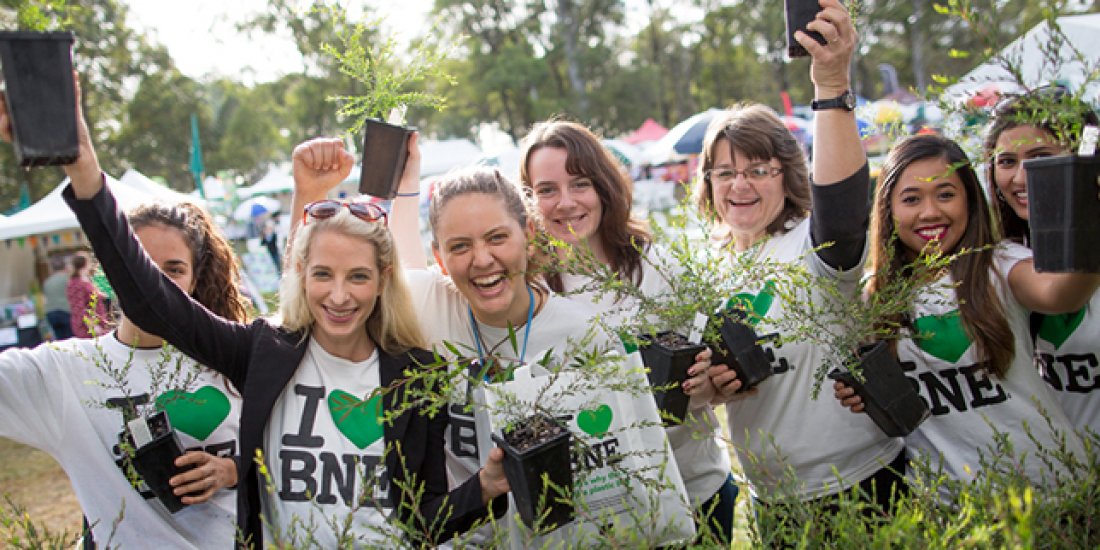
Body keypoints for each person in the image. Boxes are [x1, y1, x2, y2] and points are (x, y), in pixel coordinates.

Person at [38, 84, 509, 547]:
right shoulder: (263, 350)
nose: (340, 296)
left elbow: (422, 521)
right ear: (301, 272)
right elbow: (151, 301)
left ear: (384, 278)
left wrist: (484, 487)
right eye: (324, 274)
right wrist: (85, 171)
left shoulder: (418, 374)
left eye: (358, 277)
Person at [290, 137, 622, 545]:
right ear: (440, 258)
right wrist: (308, 195)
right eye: (460, 247)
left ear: (528, 233)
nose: (482, 260)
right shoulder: (425, 305)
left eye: (497, 238)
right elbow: (311, 302)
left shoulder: (585, 335)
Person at [1, 91, 250, 545]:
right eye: (137, 267)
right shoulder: (65, 372)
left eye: (173, 270)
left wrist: (232, 470)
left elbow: (295, 454)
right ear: (109, 273)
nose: (152, 284)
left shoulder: (232, 355)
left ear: (195, 279)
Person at [700, 0, 907, 516]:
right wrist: (712, 384)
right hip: (774, 503)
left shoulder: (809, 245)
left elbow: (840, 205)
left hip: (861, 485)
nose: (739, 185)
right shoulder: (705, 270)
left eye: (758, 169)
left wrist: (830, 84)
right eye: (725, 173)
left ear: (787, 175)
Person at [518, 119, 737, 544]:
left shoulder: (658, 267)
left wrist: (705, 383)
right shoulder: (529, 294)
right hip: (606, 518)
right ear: (527, 201)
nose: (565, 202)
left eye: (579, 183)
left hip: (697, 490)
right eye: (546, 189)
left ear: (603, 186)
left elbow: (715, 390)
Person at [834, 133, 1095, 489]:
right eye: (911, 199)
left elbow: (1061, 295)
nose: (930, 212)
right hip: (949, 506)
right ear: (888, 210)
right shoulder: (875, 298)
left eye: (945, 194)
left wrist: (1089, 213)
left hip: (1049, 488)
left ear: (970, 201)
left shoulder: (1000, 266)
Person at [983, 88, 1100, 435]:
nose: (1021, 178)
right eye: (1007, 162)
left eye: (1040, 157)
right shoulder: (1002, 258)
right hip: (1058, 476)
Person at [67, 251, 111, 338]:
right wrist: (92, 325)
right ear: (86, 264)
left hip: (98, 322)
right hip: (87, 327)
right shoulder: (76, 284)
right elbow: (79, 308)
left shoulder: (85, 280)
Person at [42, 254, 73, 340]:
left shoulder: (47, 282)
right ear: (65, 266)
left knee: (60, 339)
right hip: (65, 310)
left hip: (50, 312)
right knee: (70, 339)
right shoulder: (68, 279)